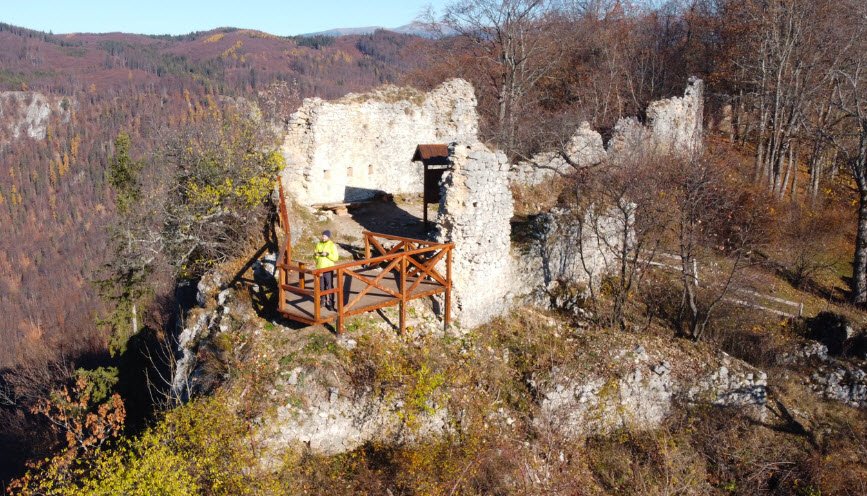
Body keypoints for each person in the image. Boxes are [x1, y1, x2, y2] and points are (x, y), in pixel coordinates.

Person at [314, 230, 339, 310]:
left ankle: (331, 303)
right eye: (323, 236)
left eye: (325, 236)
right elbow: (315, 256)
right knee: (321, 286)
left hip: (328, 269)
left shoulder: (332, 245)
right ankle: (323, 301)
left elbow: (336, 258)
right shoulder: (318, 244)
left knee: (330, 286)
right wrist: (316, 255)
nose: (323, 237)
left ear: (328, 237)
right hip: (320, 269)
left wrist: (327, 254)